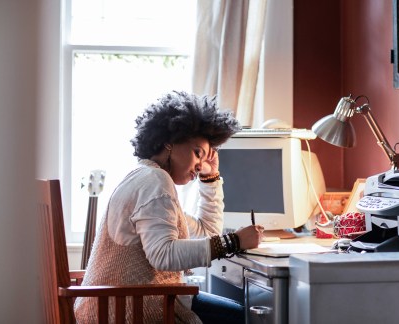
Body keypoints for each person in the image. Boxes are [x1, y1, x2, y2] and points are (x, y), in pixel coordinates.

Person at [74, 91, 263, 324]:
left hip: (114, 307)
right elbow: (163, 255)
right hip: (128, 311)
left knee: (236, 313)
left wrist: (210, 178)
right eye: (197, 154)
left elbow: (206, 233)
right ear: (170, 142)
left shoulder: (143, 177)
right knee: (245, 317)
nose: (199, 165)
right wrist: (233, 242)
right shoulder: (155, 182)